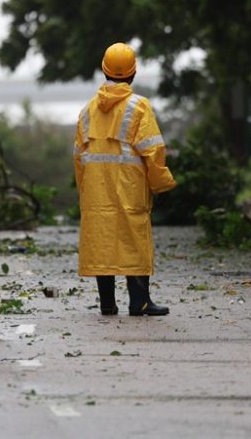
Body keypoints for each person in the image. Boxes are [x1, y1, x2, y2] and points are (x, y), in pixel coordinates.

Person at [74, 42, 177, 316]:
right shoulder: (139, 106)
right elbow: (153, 150)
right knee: (134, 240)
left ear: (104, 70)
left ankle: (107, 303)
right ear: (133, 73)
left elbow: (78, 157)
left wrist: (84, 191)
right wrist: (161, 182)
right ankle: (140, 301)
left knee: (102, 241)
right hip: (130, 188)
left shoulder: (87, 110)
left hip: (96, 190)